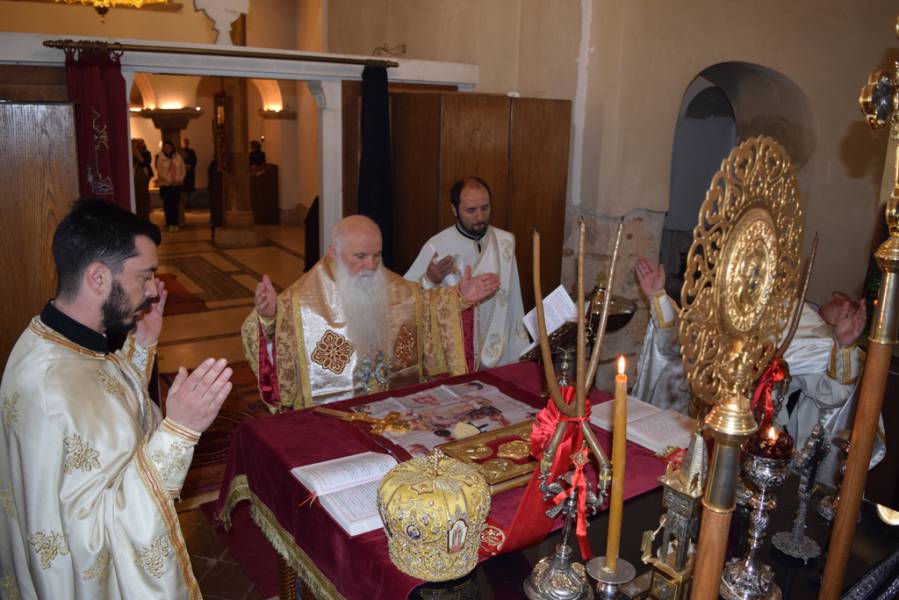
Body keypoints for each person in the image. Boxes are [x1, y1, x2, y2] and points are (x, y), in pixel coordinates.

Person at [0, 199, 233, 598]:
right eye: (145, 276)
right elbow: (91, 542)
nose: (152, 290)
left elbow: (104, 406)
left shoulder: (61, 338)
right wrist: (177, 434)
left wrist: (141, 345)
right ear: (98, 278)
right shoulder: (49, 392)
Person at [632, 257, 884, 485]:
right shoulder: (721, 306)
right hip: (706, 434)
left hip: (760, 448)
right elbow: (679, 346)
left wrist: (843, 347)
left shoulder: (801, 321)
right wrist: (658, 296)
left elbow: (832, 397)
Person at [241, 215, 501, 410]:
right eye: (361, 256)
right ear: (334, 252)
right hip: (333, 418)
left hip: (395, 411)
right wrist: (269, 317)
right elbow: (263, 339)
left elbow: (427, 306)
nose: (371, 265)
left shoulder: (394, 287)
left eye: (377, 255)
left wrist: (459, 297)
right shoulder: (301, 300)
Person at [404, 177, 528, 369]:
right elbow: (405, 299)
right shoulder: (437, 246)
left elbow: (514, 302)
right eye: (471, 210)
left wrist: (518, 352)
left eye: (485, 208)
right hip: (456, 354)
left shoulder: (505, 242)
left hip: (501, 354)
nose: (480, 217)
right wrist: (429, 279)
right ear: (454, 210)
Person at [155, 141, 186, 233]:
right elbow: (161, 171)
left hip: (177, 185)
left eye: (169, 147)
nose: (167, 149)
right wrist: (170, 181)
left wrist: (180, 179)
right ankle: (170, 224)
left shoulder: (177, 156)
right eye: (165, 147)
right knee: (168, 206)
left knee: (175, 205)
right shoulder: (161, 158)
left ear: (172, 148)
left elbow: (182, 168)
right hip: (166, 185)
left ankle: (175, 224)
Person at [180, 138, 197, 207]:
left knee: (190, 188)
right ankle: (184, 202)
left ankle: (189, 203)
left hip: (190, 172)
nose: (185, 144)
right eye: (184, 143)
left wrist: (190, 166)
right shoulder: (180, 152)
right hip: (183, 172)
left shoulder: (191, 151)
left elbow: (194, 160)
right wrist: (184, 166)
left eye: (186, 142)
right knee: (183, 188)